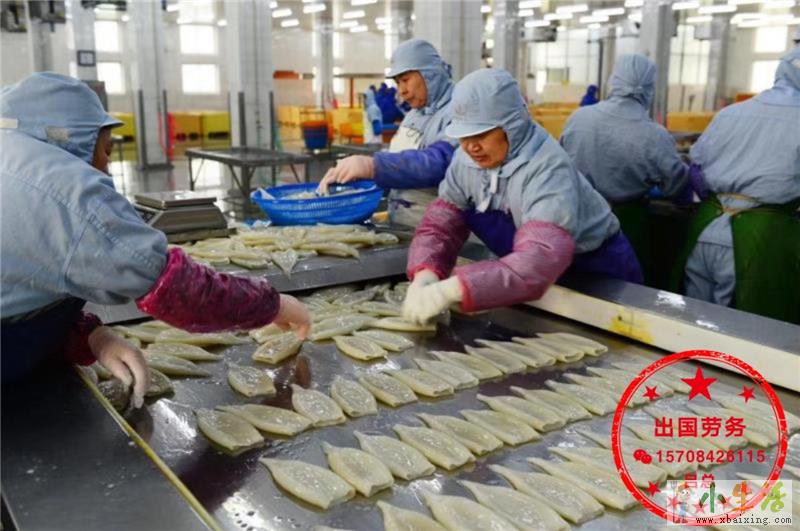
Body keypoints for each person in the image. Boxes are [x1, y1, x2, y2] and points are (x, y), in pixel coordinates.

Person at [0, 73, 311, 405]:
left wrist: (90, 336)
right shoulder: (64, 191)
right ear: (71, 140)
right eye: (105, 150)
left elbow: (20, 283)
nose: (106, 168)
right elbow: (176, 288)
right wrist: (272, 305)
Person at [402, 69, 642, 324]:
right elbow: (441, 224)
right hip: (525, 279)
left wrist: (454, 289)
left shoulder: (547, 169)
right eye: (463, 135)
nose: (471, 146)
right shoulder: (466, 161)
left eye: (481, 134)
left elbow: (539, 258)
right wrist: (426, 272)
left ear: (512, 125)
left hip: (595, 276)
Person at [673, 46, 800, 324]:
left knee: (692, 323)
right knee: (739, 330)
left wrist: (717, 198)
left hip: (706, 226)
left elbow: (695, 168)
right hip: (759, 238)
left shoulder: (730, 113)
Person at [560, 55, 689, 281]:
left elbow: (560, 166)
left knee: (580, 284)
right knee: (627, 288)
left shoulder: (579, 118)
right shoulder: (654, 135)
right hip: (627, 224)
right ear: (650, 88)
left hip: (577, 217)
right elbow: (675, 186)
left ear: (614, 80)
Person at [318, 39, 457, 227]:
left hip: (441, 229)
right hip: (403, 223)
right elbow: (400, 163)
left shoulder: (458, 110)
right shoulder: (414, 115)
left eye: (406, 80)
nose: (402, 91)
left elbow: (440, 162)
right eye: (398, 82)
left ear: (430, 75)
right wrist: (362, 180)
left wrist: (373, 166)